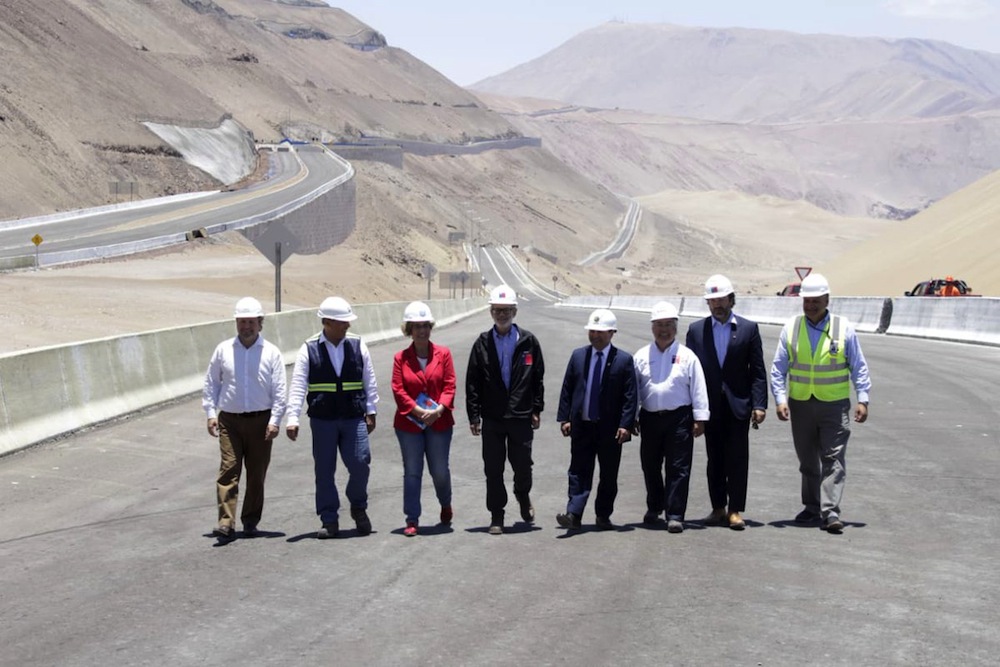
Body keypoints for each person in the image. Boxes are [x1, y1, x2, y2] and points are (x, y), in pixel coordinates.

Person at [770, 273, 871, 534]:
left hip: (834, 406)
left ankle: (830, 511)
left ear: (827, 299)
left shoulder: (843, 327)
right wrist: (780, 399)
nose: (811, 305)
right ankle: (812, 507)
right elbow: (778, 368)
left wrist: (863, 398)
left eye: (816, 300)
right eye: (807, 300)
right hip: (801, 404)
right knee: (807, 460)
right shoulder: (791, 328)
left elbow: (858, 366)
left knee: (833, 458)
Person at [286, 296, 379, 539]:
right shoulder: (309, 348)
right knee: (324, 471)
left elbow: (369, 379)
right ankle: (329, 519)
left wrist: (371, 409)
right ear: (326, 322)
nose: (347, 325)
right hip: (323, 420)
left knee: (361, 462)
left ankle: (358, 506)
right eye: (342, 322)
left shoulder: (358, 345)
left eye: (348, 321)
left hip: (353, 417)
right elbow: (297, 385)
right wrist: (292, 418)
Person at [685, 275, 767, 530]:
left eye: (721, 299)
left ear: (731, 299)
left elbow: (757, 370)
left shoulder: (748, 329)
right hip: (709, 407)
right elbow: (689, 372)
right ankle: (718, 507)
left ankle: (734, 510)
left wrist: (759, 404)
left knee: (738, 458)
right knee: (715, 459)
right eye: (712, 301)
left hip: (738, 405)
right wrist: (692, 410)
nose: (717, 304)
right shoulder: (696, 331)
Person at [202, 297, 287, 540]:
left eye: (251, 322)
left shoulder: (271, 352)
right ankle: (225, 522)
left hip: (261, 422)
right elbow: (211, 383)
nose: (246, 327)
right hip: (229, 421)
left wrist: (275, 421)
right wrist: (210, 414)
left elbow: (280, 389)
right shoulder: (223, 350)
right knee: (228, 469)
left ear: (260, 323)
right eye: (242, 322)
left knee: (256, 473)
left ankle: (250, 520)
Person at [466, 284, 545, 535]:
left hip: (521, 414)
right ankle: (497, 515)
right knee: (493, 468)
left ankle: (522, 494)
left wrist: (536, 409)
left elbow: (537, 378)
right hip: (493, 416)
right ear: (491, 312)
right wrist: (474, 415)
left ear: (515, 311)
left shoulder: (528, 341)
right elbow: (473, 381)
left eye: (506, 310)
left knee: (523, 465)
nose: (502, 315)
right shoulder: (482, 343)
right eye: (497, 310)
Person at [555, 308, 637, 531]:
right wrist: (565, 418)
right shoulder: (578, 355)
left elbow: (631, 396)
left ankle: (603, 514)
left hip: (610, 429)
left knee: (609, 474)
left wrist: (626, 424)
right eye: (592, 331)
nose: (595, 336)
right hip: (582, 425)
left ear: (612, 333)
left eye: (601, 332)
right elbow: (568, 388)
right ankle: (574, 514)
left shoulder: (624, 360)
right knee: (579, 470)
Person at [632, 301, 709, 533]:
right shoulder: (641, 356)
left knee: (679, 467)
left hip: (679, 419)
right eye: (659, 325)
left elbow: (698, 387)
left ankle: (675, 514)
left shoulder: (687, 356)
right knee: (650, 465)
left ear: (675, 327)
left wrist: (700, 418)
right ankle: (654, 507)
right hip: (650, 419)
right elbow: (633, 389)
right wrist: (632, 416)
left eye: (668, 324)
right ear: (652, 328)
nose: (664, 329)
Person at [391, 301, 456, 537]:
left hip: (439, 422)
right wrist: (418, 412)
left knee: (439, 470)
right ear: (408, 329)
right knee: (412, 470)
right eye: (417, 326)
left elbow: (450, 385)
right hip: (409, 424)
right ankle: (412, 518)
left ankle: (445, 502)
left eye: (426, 325)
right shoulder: (401, 358)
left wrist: (438, 410)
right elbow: (398, 389)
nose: (422, 331)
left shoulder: (444, 354)